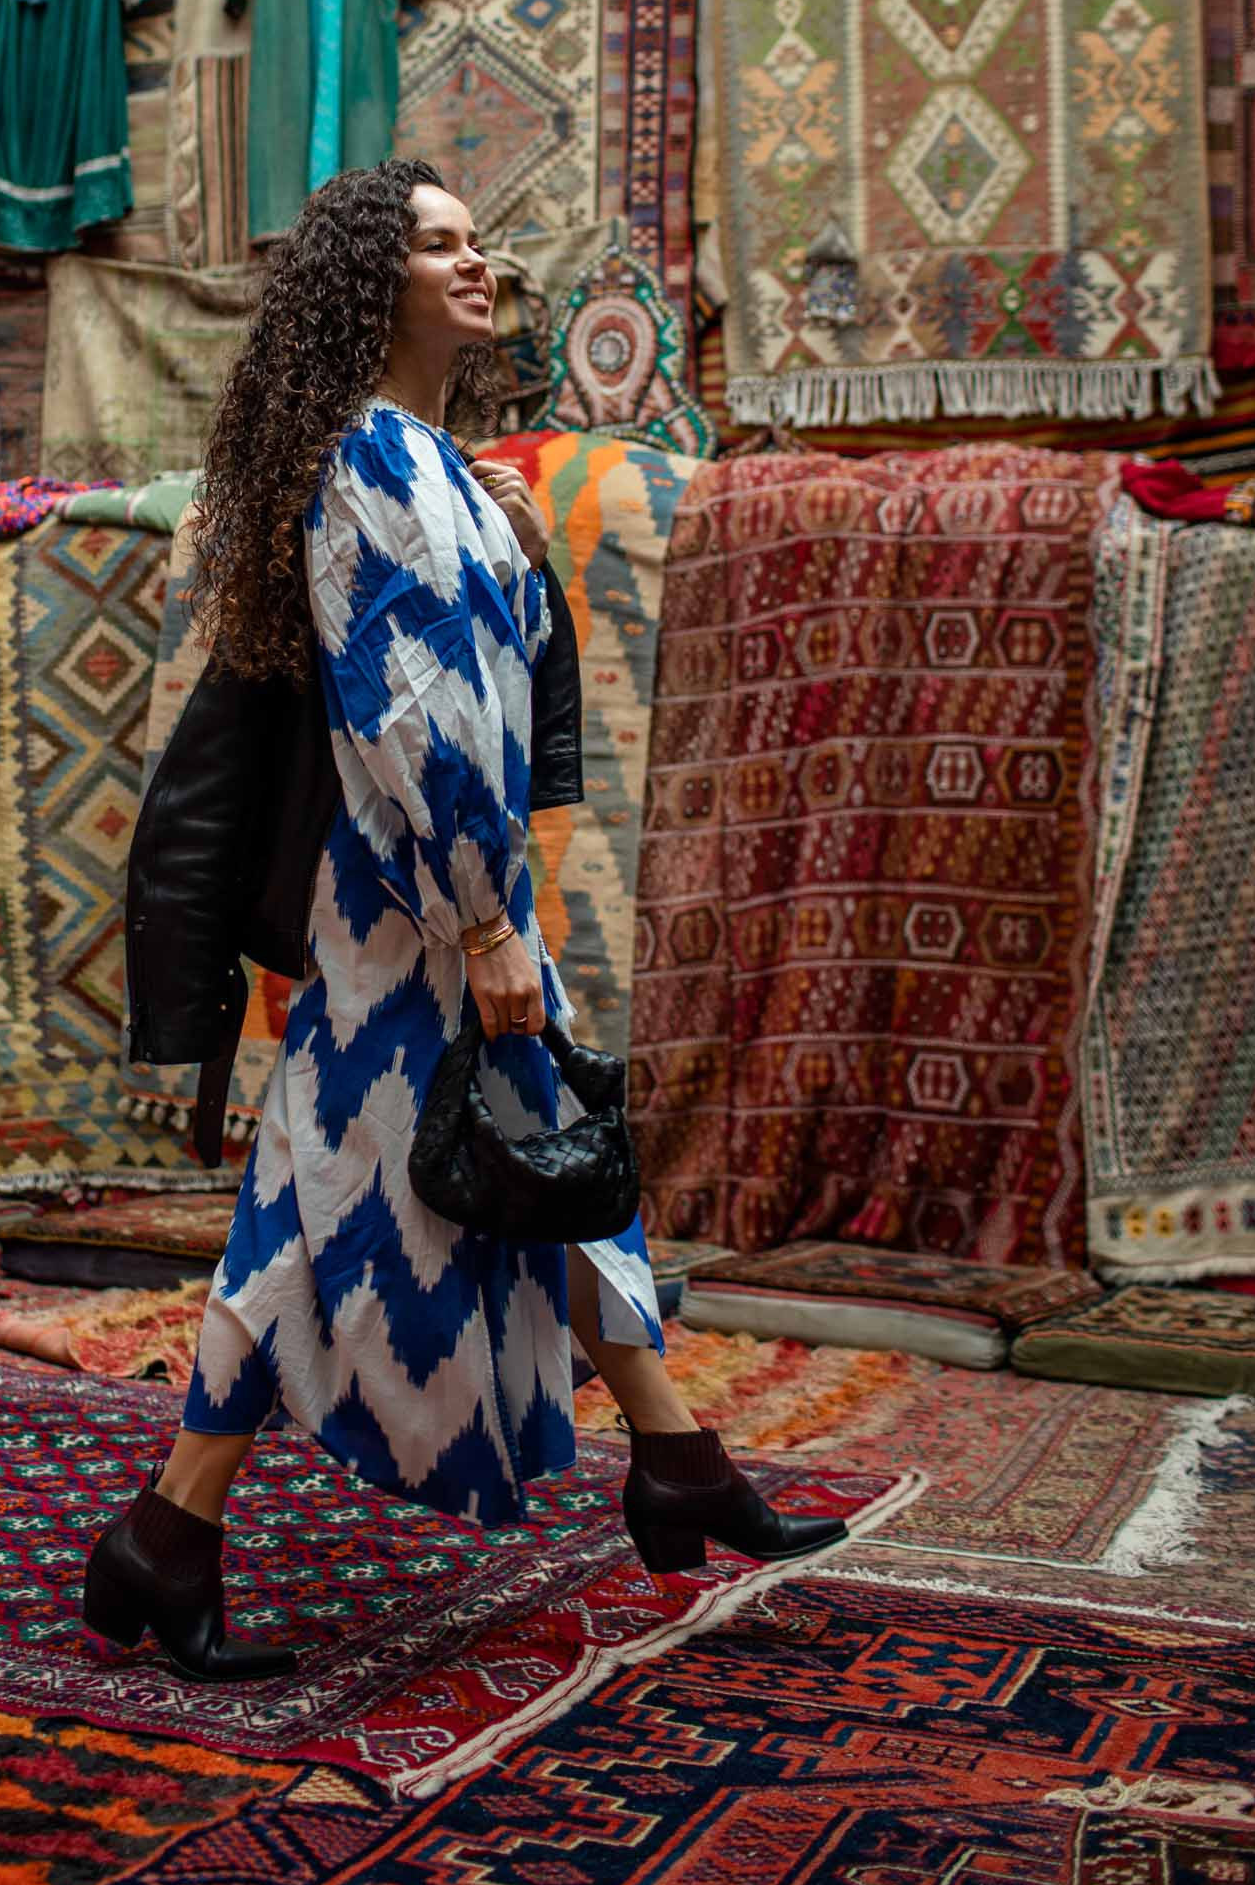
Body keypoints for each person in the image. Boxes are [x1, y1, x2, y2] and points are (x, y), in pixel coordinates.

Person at [84, 159, 844, 1683]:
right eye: (440, 246)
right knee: (391, 1190)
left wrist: (496, 523)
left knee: (495, 1163)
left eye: (477, 237)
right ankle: (170, 1536)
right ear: (378, 286)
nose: (477, 263)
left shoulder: (423, 460)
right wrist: (485, 918)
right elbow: (412, 713)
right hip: (417, 907)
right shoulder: (372, 463)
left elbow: (490, 676)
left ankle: (663, 1450)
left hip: (435, 899)